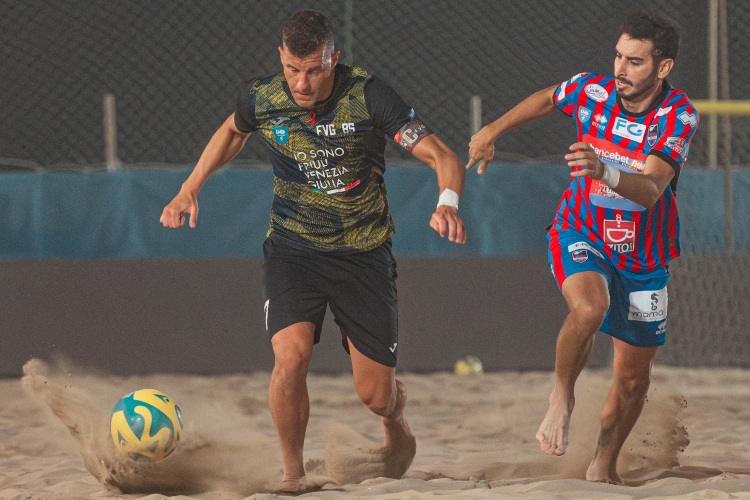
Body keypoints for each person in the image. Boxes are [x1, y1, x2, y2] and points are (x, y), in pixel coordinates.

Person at [160, 9, 466, 493]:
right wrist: (190, 187)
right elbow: (233, 131)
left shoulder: (369, 96)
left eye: (314, 70)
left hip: (363, 254)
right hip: (293, 250)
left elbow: (442, 155)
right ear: (281, 57)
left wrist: (447, 201)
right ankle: (293, 475)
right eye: (292, 69)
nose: (302, 83)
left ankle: (395, 425)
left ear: (333, 59)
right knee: (290, 355)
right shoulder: (263, 96)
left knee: (376, 396)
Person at [467, 12, 698, 484]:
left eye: (635, 61)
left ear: (663, 67)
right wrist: (492, 130)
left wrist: (604, 171)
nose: (620, 69)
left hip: (643, 256)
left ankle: (602, 467)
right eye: (618, 56)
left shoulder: (678, 115)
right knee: (590, 308)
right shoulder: (592, 91)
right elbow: (548, 97)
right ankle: (561, 397)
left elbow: (652, 189)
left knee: (632, 379)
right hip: (581, 231)